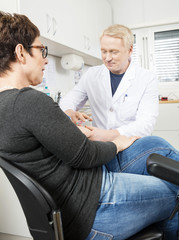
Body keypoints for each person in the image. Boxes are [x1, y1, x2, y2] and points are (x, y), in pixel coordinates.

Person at [0, 11, 178, 240]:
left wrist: (80, 132)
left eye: (114, 51)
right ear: (20, 53)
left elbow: (59, 147)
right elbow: (84, 155)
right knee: (175, 188)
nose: (45, 59)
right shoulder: (28, 101)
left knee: (155, 143)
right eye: (41, 50)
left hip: (86, 184)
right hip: (92, 203)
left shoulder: (11, 103)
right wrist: (117, 143)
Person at [60, 24, 159, 141]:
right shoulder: (92, 74)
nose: (107, 58)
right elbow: (69, 99)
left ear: (130, 50)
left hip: (131, 143)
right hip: (101, 147)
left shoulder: (147, 78)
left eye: (114, 52)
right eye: (104, 51)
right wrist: (69, 111)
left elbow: (145, 123)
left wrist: (109, 135)